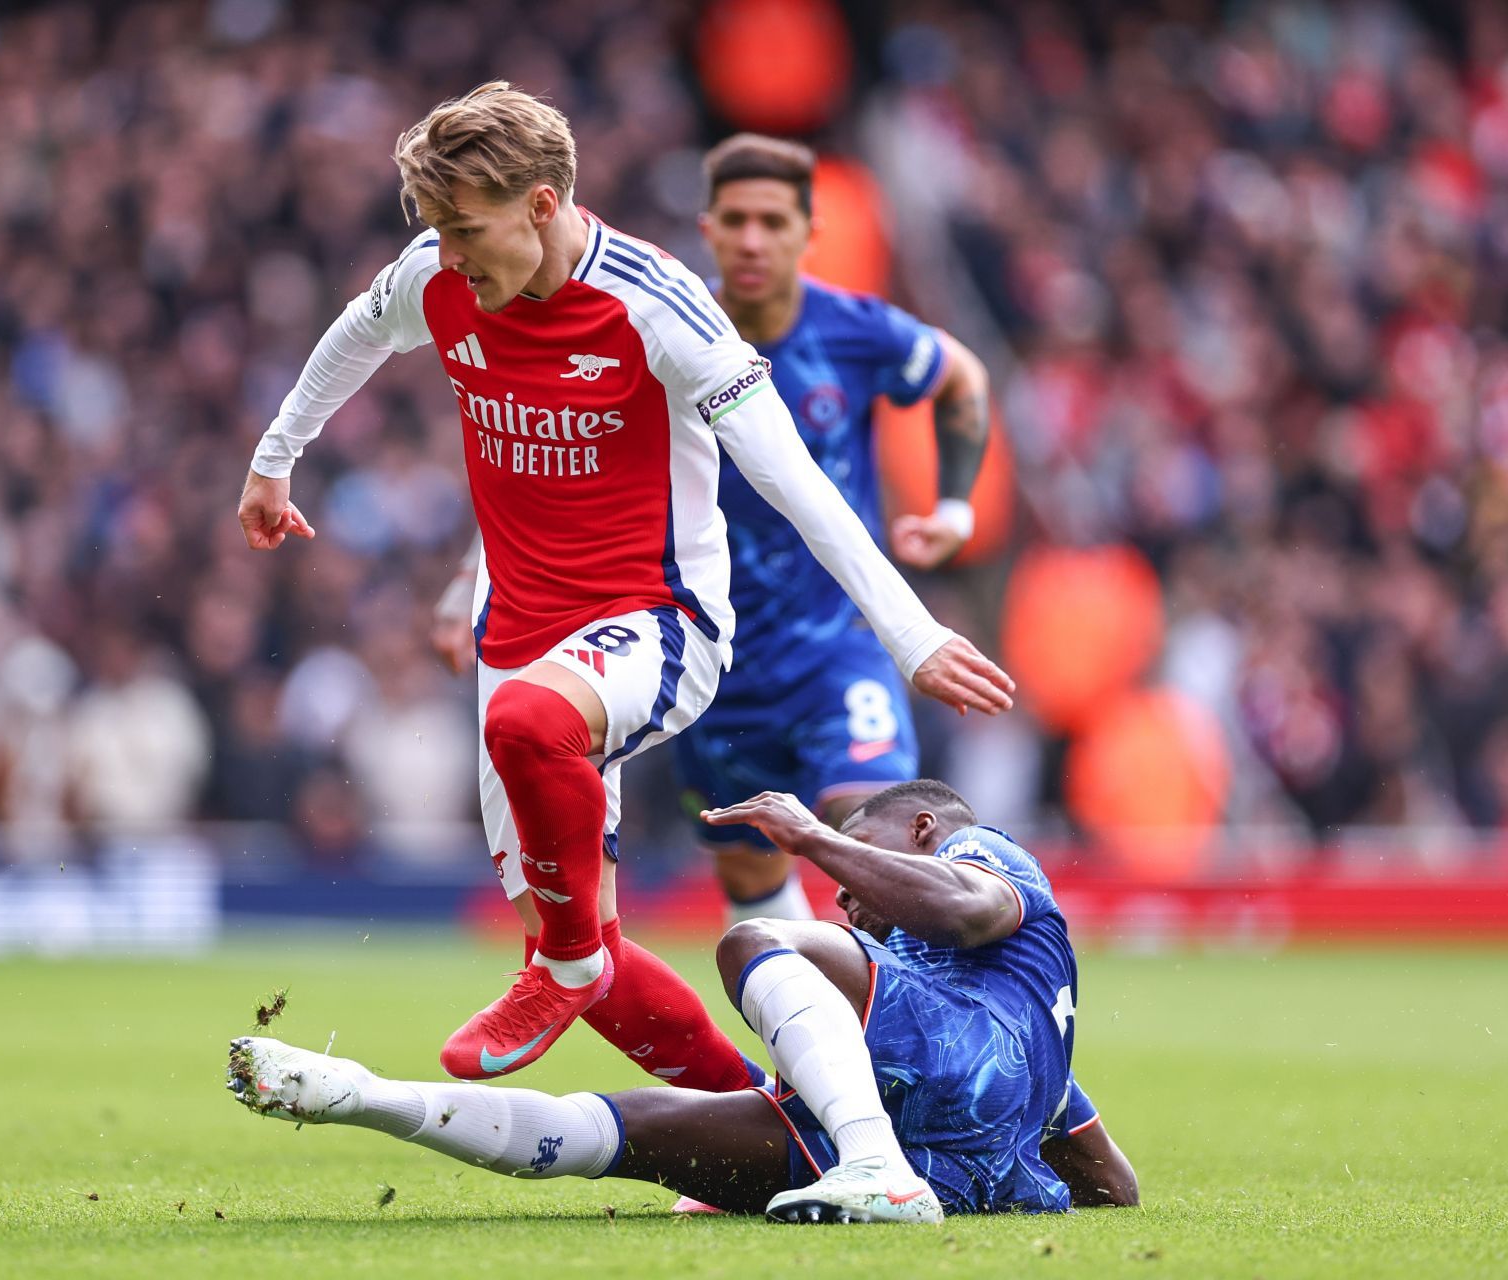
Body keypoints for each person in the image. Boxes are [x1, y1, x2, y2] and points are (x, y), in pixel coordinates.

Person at [239, 82, 1015, 1087]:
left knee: (528, 738)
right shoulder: (436, 273)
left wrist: (911, 635)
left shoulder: (660, 308)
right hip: (513, 628)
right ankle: (765, 1127)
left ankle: (564, 963)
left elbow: (799, 484)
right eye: (439, 230)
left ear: (544, 204)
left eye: (468, 227)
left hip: (657, 622)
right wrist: (275, 457)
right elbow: (356, 331)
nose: (453, 254)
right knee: (589, 945)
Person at [229, 780, 1137, 1223]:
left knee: (755, 940)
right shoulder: (1029, 1045)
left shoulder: (990, 855)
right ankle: (368, 1097)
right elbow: (1114, 1188)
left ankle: (873, 1170)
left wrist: (817, 837)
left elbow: (967, 906)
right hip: (959, 1166)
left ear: (927, 831)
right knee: (623, 1136)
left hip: (921, 1119)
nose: (846, 894)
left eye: (871, 854)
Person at [684, 134, 997, 925]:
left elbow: (963, 376)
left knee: (884, 832)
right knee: (752, 884)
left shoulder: (853, 331)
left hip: (837, 645)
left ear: (807, 232)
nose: (754, 239)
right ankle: (808, 1040)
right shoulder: (672, 335)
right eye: (737, 220)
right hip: (709, 659)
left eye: (773, 221)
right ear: (708, 228)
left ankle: (909, 1033)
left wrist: (955, 505)